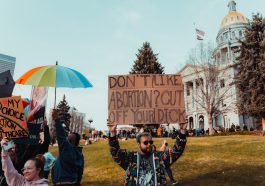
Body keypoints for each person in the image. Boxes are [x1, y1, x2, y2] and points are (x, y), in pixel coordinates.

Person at [108, 122, 187, 186]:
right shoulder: (131, 158)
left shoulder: (160, 157)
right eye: (145, 142)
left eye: (151, 142)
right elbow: (116, 153)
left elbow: (176, 151)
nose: (149, 144)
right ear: (139, 144)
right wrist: (112, 133)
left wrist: (182, 131)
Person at [51, 109, 84, 186]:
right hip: (73, 182)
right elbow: (80, 171)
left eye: (68, 139)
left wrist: (56, 119)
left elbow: (61, 136)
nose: (66, 140)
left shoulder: (67, 149)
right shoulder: (80, 155)